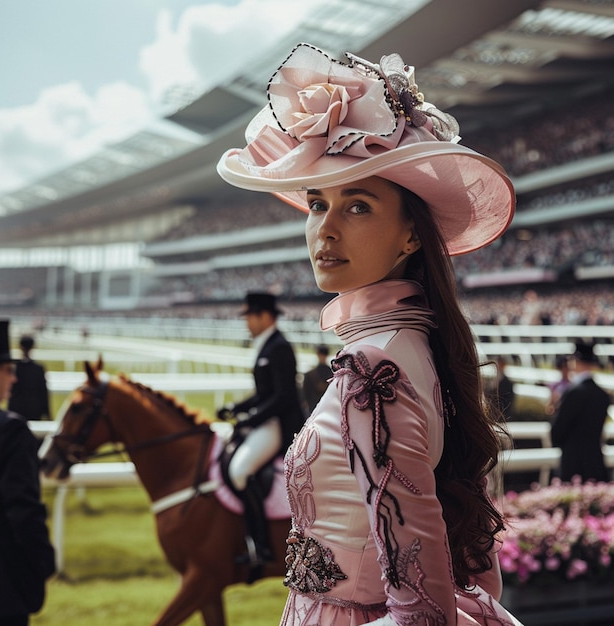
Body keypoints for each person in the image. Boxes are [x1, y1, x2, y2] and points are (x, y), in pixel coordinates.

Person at [218, 44, 521, 625]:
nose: (324, 230)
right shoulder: (418, 349)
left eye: (356, 207)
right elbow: (473, 570)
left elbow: (421, 612)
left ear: (411, 237)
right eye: (316, 204)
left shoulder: (373, 370)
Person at [216, 292, 305, 580]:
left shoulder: (279, 347)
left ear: (265, 316)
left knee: (240, 472)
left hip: (278, 425)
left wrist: (249, 418)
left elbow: (283, 396)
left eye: (249, 317)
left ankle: (261, 546)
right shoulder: (267, 344)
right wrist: (236, 408)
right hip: (268, 421)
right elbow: (264, 394)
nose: (247, 323)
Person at [0, 320, 55, 625]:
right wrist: (43, 562)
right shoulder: (10, 430)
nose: (13, 380)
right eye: (9, 371)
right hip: (0, 588)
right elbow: (23, 509)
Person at [551, 342, 611, 483]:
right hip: (596, 463)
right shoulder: (603, 395)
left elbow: (557, 432)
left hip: (572, 465)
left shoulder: (572, 392)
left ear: (575, 362)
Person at [8, 335, 51, 422]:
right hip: (34, 410)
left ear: (20, 347)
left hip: (16, 409)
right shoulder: (38, 368)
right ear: (32, 348)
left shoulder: (14, 367)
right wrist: (47, 413)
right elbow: (43, 392)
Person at [302, 344, 332, 415]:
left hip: (313, 409)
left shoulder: (309, 374)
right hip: (328, 409)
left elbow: (305, 394)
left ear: (318, 354)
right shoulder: (332, 373)